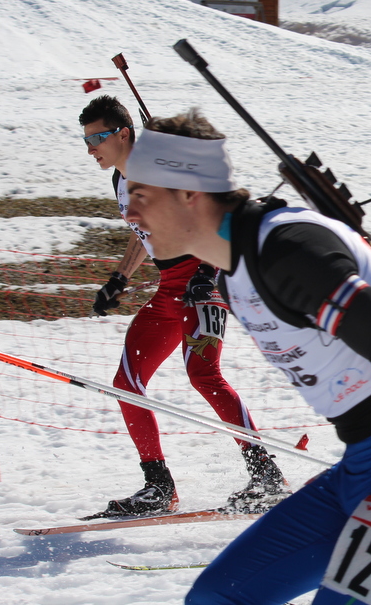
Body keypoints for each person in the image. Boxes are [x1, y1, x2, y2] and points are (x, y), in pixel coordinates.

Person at [123, 110, 371, 605]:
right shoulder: (235, 268)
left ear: (188, 193)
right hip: (362, 466)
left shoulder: (285, 252)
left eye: (142, 195)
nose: (130, 213)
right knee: (216, 597)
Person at [78, 96, 286, 517]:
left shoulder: (163, 168)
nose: (90, 149)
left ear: (124, 134)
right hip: (169, 290)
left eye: (97, 138)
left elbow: (219, 215)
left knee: (203, 374)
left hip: (203, 285)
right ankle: (159, 486)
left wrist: (207, 273)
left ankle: (266, 476)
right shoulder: (122, 180)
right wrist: (119, 279)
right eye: (85, 140)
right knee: (126, 383)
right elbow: (142, 229)